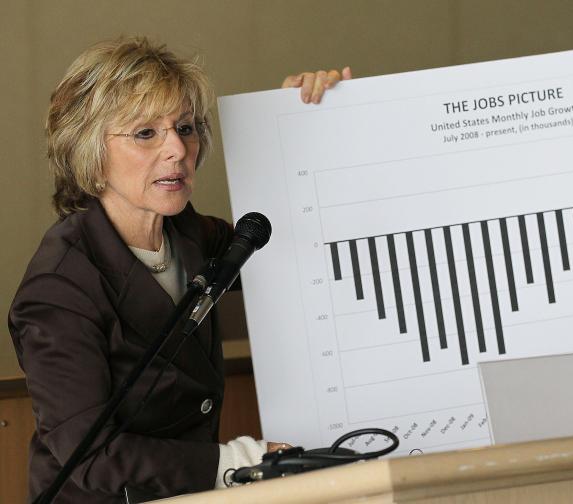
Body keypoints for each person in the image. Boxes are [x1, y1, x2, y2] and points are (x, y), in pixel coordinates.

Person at [8, 36, 350, 502]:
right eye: (145, 133)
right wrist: (242, 462)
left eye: (185, 128)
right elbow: (89, 457)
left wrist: (303, 123)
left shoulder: (188, 233)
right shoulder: (58, 288)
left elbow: (296, 248)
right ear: (90, 150)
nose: (177, 148)